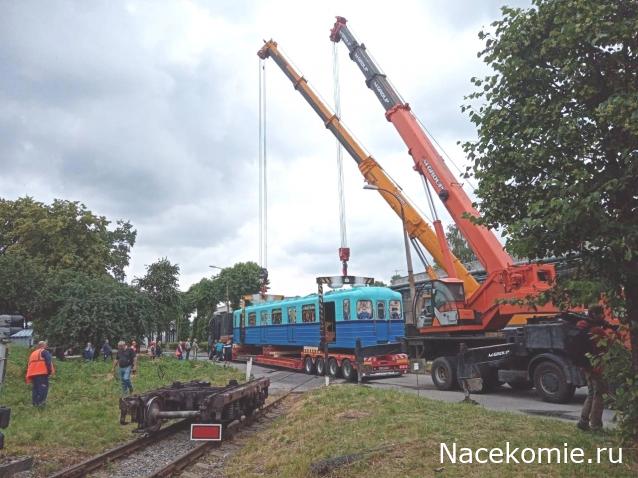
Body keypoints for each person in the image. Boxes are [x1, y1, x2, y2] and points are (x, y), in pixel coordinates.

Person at [575, 305, 611, 432]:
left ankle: (583, 421)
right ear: (595, 314)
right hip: (597, 367)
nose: (604, 316)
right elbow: (610, 345)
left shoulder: (583, 326)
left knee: (591, 394)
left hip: (587, 366)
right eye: (601, 313)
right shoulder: (597, 330)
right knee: (599, 395)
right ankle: (596, 425)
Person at [26, 341, 55, 407]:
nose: (46, 346)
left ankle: (34, 404)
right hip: (42, 373)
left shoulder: (33, 353)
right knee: (43, 388)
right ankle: (41, 404)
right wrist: (49, 371)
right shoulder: (44, 352)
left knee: (35, 389)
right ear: (43, 346)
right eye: (46, 345)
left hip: (33, 374)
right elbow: (48, 362)